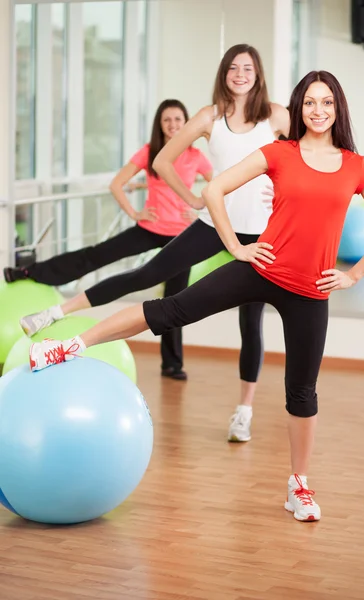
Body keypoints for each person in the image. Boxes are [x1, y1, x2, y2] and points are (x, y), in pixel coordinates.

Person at [29, 71, 364, 521]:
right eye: (309, 103)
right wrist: (236, 246)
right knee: (170, 310)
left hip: (309, 291)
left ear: (338, 108)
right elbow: (215, 189)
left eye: (327, 103)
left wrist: (355, 274)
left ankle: (298, 487)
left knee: (302, 393)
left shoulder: (354, 165)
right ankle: (70, 345)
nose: (318, 111)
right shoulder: (280, 152)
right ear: (299, 108)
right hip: (260, 270)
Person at [18, 44, 289, 443]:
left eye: (247, 68)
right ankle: (55, 313)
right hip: (214, 222)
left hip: (261, 230)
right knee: (147, 273)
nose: (240, 74)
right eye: (233, 67)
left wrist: (281, 192)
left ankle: (243, 411)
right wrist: (194, 198)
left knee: (251, 319)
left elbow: (301, 159)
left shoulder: (276, 115)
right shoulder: (209, 116)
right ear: (224, 73)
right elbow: (162, 161)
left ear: (258, 73)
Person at [5, 99, 213, 380]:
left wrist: (199, 207)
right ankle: (29, 271)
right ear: (160, 124)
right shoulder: (150, 152)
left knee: (174, 299)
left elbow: (218, 186)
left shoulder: (196, 156)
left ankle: (172, 365)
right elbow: (117, 184)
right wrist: (136, 213)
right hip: (149, 228)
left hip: (181, 236)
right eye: (167, 120)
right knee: (96, 254)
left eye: (178, 119)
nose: (173, 125)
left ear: (187, 122)